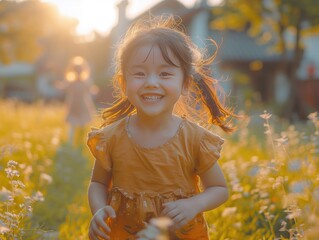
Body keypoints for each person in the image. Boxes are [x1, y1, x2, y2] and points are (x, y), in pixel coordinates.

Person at [87, 15, 237, 240]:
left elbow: (219, 189)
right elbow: (98, 183)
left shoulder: (195, 139)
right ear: (123, 83)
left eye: (165, 73)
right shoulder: (111, 138)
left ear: (185, 83)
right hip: (123, 233)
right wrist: (98, 209)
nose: (151, 82)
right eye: (139, 73)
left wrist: (194, 205)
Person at [64, 56, 96, 147]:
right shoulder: (71, 82)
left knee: (83, 125)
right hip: (74, 105)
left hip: (82, 105)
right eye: (76, 70)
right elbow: (66, 89)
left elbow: (90, 90)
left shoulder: (85, 82)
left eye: (80, 70)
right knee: (72, 125)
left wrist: (93, 91)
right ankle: (70, 143)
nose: (78, 72)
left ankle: (81, 142)